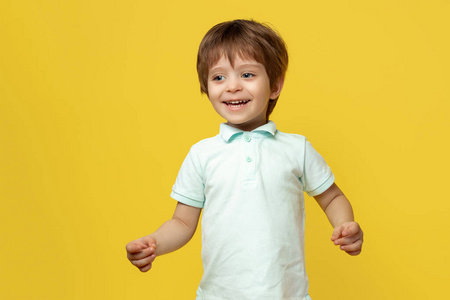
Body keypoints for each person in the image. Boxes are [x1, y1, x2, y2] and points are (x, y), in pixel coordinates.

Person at [126, 19, 363, 299]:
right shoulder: (202, 154)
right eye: (218, 77)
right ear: (206, 87)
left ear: (275, 85)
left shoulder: (296, 148)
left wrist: (345, 225)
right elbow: (182, 223)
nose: (232, 86)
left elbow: (332, 198)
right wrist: (154, 243)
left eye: (247, 75)